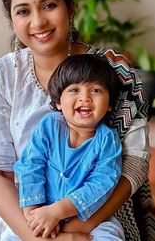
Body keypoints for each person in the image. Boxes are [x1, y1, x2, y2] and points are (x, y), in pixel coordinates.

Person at [0, 0, 155, 241]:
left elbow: (133, 164)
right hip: (21, 211)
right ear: (12, 19)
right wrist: (39, 236)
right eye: (23, 11)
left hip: (96, 213)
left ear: (70, 8)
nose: (38, 21)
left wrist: (80, 227)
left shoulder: (113, 72)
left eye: (49, 5)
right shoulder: (1, 76)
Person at [14, 54, 124, 240]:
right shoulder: (50, 125)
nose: (85, 98)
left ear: (110, 104)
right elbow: (31, 165)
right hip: (40, 208)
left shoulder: (107, 140)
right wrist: (33, 213)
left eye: (96, 90)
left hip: (87, 216)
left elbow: (102, 183)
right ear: (58, 102)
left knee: (111, 235)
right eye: (74, 90)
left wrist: (58, 211)